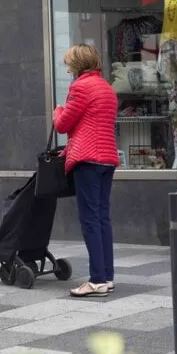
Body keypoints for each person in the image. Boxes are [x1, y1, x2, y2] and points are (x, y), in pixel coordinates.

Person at [54, 45, 119, 298]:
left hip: (87, 159)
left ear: (78, 64)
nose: (67, 67)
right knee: (102, 218)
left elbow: (62, 124)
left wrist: (57, 110)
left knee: (90, 220)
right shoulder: (106, 87)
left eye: (69, 63)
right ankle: (107, 276)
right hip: (106, 159)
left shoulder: (80, 87)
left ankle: (97, 280)